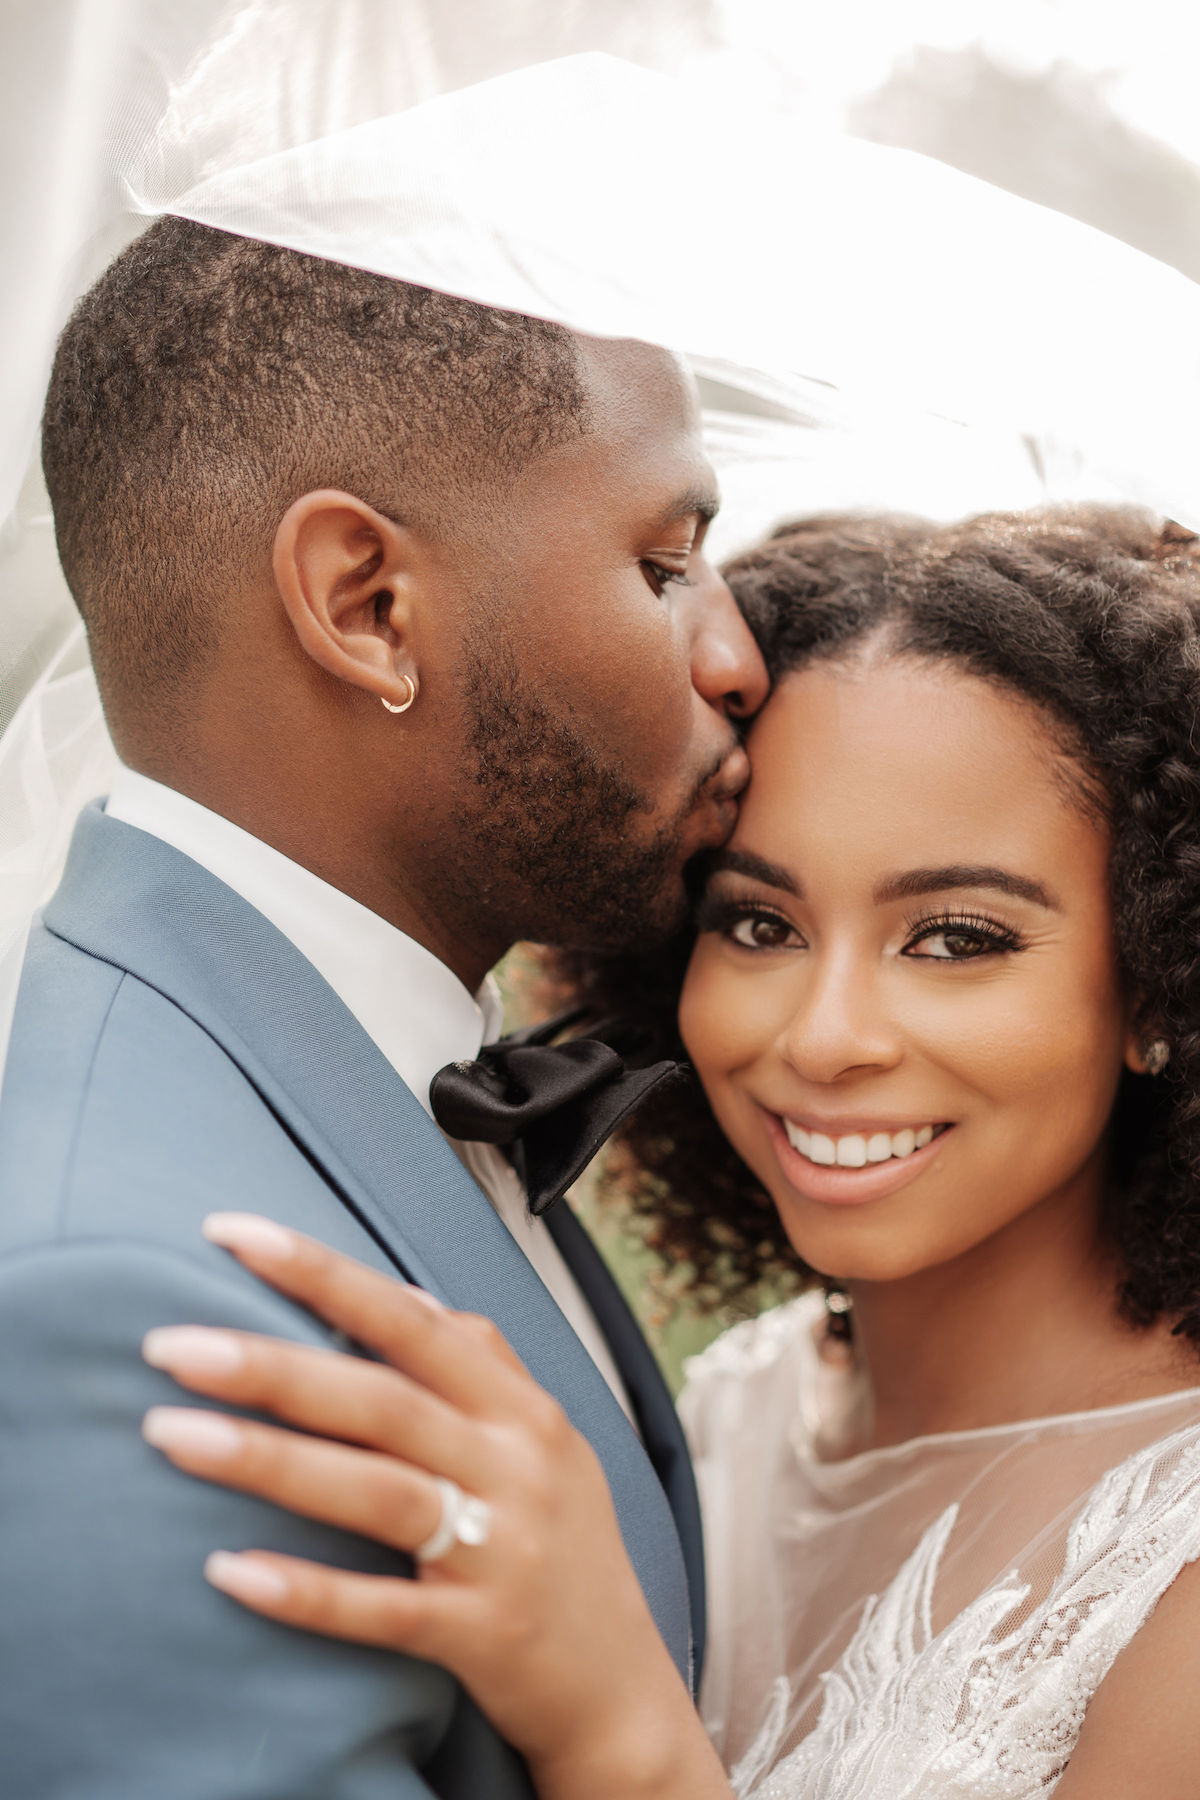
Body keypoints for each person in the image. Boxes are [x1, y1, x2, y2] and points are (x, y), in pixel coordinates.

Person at [143, 505, 1200, 1799]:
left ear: (1159, 983)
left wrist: (623, 1734)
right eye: (758, 923)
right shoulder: (729, 1415)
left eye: (956, 937)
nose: (824, 1038)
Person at [0, 215, 768, 1797]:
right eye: (663, 561)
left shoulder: (332, 1065)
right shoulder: (130, 1308)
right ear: (366, 605)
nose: (738, 654)